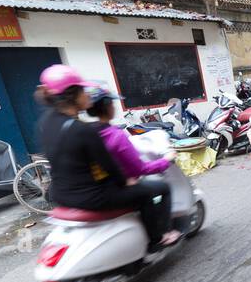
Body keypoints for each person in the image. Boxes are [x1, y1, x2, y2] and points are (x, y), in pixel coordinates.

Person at [38, 66, 177, 253]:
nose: (86, 95)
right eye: (82, 91)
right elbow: (110, 167)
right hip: (92, 197)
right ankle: (157, 239)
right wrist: (126, 181)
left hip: (60, 194)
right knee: (151, 191)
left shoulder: (47, 122)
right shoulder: (83, 130)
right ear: (74, 95)